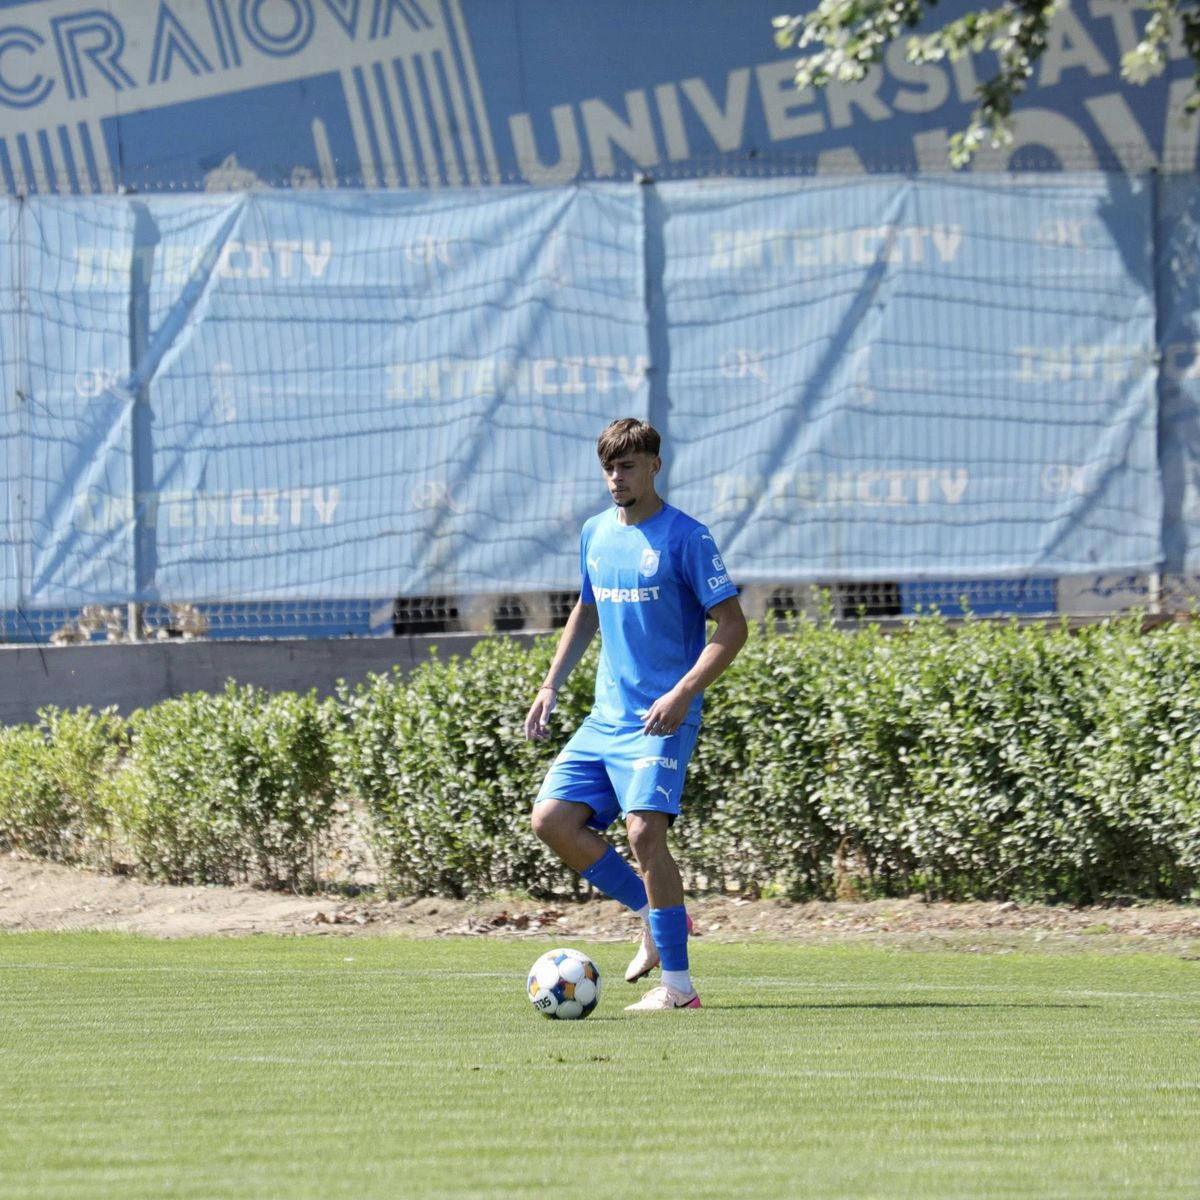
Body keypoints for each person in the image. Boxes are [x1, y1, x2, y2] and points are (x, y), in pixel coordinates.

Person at [524, 417, 748, 1011]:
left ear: (654, 465)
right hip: (605, 718)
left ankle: (678, 988)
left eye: (627, 466)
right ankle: (651, 911)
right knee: (551, 821)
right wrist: (551, 684)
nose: (615, 479)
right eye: (608, 468)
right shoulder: (596, 532)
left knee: (644, 831)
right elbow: (586, 607)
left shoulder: (687, 538)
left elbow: (732, 627)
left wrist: (682, 694)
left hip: (660, 718)